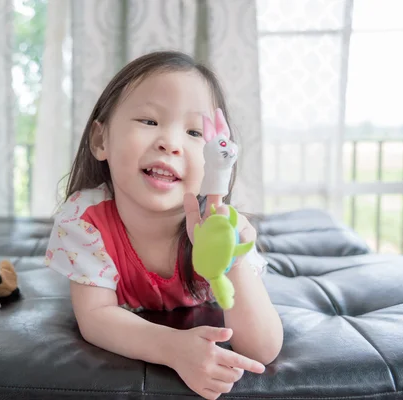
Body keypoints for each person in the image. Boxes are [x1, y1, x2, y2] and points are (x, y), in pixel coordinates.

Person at [44, 50, 283, 399]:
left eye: (193, 132)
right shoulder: (85, 219)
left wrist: (234, 261)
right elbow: (96, 316)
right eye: (149, 121)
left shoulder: (217, 229)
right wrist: (173, 348)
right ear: (101, 140)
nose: (170, 143)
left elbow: (261, 350)